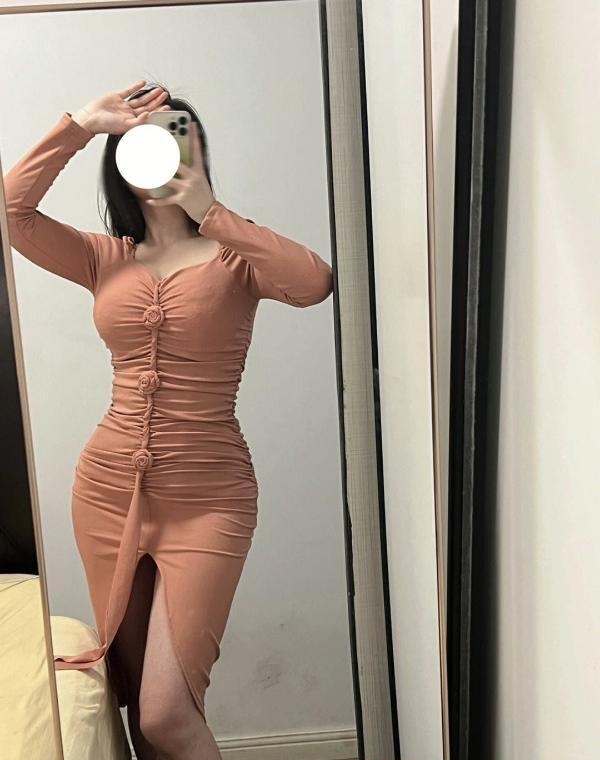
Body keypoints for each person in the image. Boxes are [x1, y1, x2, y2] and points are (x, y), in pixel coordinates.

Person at [3, 79, 333, 760]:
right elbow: (13, 210)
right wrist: (82, 124)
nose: (160, 152)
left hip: (209, 497)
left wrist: (210, 211)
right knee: (136, 701)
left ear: (198, 151)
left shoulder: (238, 257)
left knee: (167, 712)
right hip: (106, 491)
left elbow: (314, 282)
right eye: (142, 143)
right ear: (122, 160)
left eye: (179, 137)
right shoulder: (103, 257)